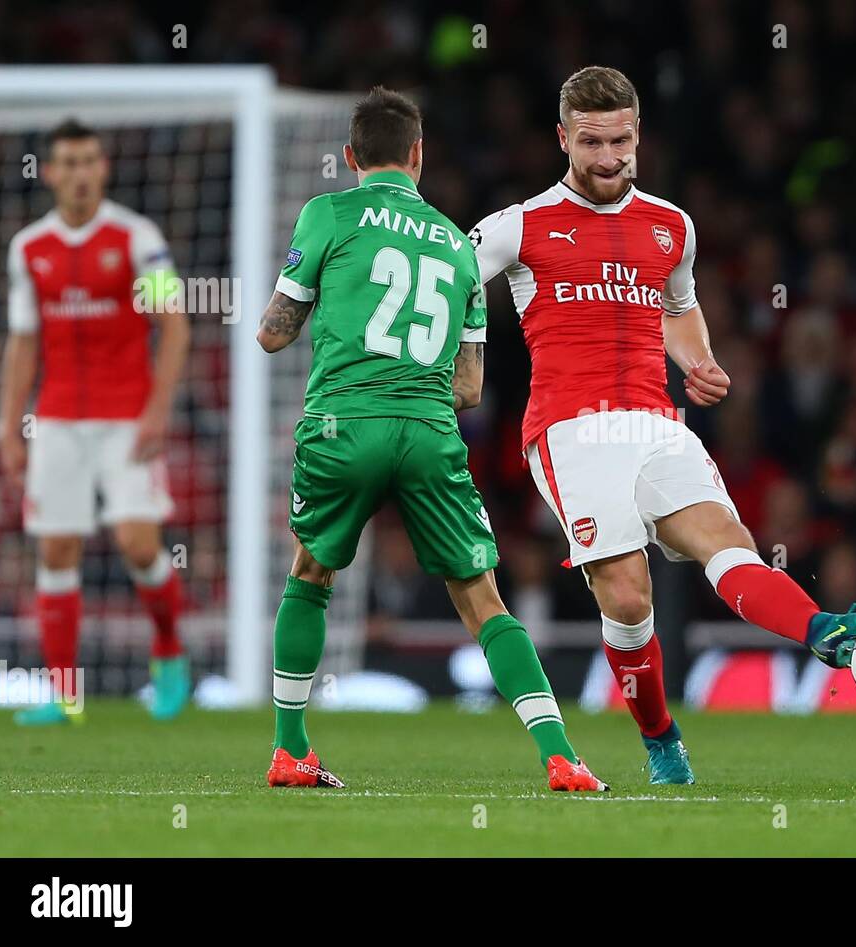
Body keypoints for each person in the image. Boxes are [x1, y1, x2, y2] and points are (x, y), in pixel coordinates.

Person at [471, 67, 856, 785]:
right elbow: (453, 279)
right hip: (570, 430)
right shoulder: (519, 225)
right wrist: (458, 363)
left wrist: (699, 360)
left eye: (621, 139)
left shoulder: (671, 225)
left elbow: (677, 307)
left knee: (727, 542)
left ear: (638, 133)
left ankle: (823, 631)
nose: (610, 156)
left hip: (655, 420)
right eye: (592, 142)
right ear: (563, 139)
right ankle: (660, 737)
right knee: (626, 595)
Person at [257, 87, 606, 791]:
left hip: (342, 423)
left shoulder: (329, 212)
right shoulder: (456, 242)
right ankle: (559, 754)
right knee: (482, 596)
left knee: (311, 574)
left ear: (351, 156)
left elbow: (274, 332)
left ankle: (292, 749)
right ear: (419, 155)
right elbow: (471, 388)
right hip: (426, 428)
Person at [0, 119, 191, 725]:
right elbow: (23, 343)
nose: (79, 173)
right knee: (56, 549)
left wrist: (159, 409)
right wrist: (8, 425)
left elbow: (176, 323)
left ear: (102, 168)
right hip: (56, 419)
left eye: (89, 161)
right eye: (68, 163)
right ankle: (64, 695)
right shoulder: (28, 248)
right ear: (50, 173)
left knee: (138, 544)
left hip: (127, 416)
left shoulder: (138, 238)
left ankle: (169, 649)